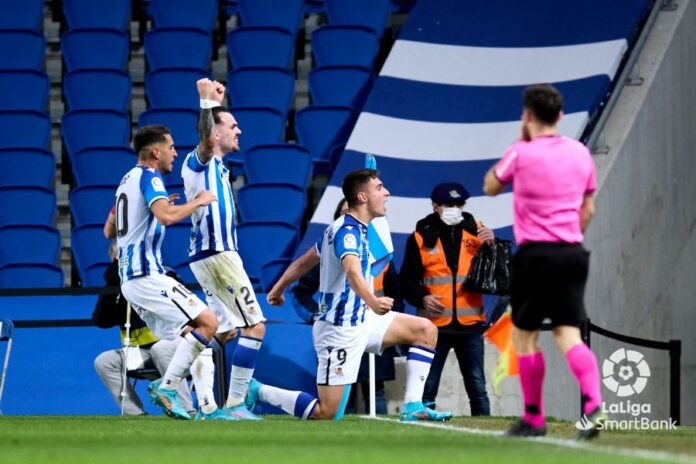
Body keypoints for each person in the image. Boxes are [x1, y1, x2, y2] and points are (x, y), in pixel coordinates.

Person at [255, 169, 451, 422]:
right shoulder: (348, 233)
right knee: (328, 414)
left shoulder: (345, 228)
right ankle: (258, 390)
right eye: (379, 188)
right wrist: (374, 300)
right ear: (362, 197)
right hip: (339, 330)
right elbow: (352, 271)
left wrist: (276, 289)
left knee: (425, 330)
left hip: (362, 320)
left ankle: (413, 406)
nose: (387, 192)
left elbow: (304, 263)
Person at [483, 84, 603, 439]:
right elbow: (588, 209)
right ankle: (593, 404)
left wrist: (522, 141)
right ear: (561, 116)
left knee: (525, 337)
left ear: (528, 116)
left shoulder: (521, 152)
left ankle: (534, 418)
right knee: (570, 335)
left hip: (536, 255)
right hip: (572, 253)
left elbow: (490, 185)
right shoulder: (581, 153)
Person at [105, 124, 219, 420]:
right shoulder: (150, 177)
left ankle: (205, 408)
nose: (175, 153)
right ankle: (167, 389)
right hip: (148, 276)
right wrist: (198, 202)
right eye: (170, 148)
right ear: (156, 152)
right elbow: (166, 218)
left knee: (190, 337)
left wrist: (153, 211)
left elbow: (109, 229)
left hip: (130, 282)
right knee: (209, 323)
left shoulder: (125, 180)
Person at [180, 78, 264, 420]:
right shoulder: (200, 160)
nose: (239, 131)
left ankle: (196, 396)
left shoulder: (220, 168)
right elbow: (205, 138)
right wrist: (206, 103)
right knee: (255, 327)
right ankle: (236, 404)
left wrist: (213, 104)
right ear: (215, 134)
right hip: (218, 256)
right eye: (232, 126)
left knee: (221, 330)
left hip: (210, 256)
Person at [291, 198, 403, 414]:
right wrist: (315, 314)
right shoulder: (329, 255)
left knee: (377, 389)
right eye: (344, 213)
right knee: (343, 396)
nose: (350, 217)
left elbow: (396, 294)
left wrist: (389, 320)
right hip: (341, 328)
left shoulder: (379, 254)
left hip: (373, 325)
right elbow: (300, 291)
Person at [399, 182, 493, 416]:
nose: (454, 208)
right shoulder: (420, 238)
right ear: (435, 206)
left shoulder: (478, 232)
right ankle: (425, 429)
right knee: (427, 388)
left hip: (470, 325)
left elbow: (497, 275)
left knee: (477, 387)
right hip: (433, 326)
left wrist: (492, 246)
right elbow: (406, 281)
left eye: (459, 204)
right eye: (448, 204)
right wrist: (422, 298)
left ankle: (486, 432)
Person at [92, 240, 194, 416]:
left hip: (176, 349)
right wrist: (115, 282)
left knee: (159, 348)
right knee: (104, 361)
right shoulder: (120, 288)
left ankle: (187, 410)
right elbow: (101, 320)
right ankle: (135, 414)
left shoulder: (163, 276)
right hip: (143, 355)